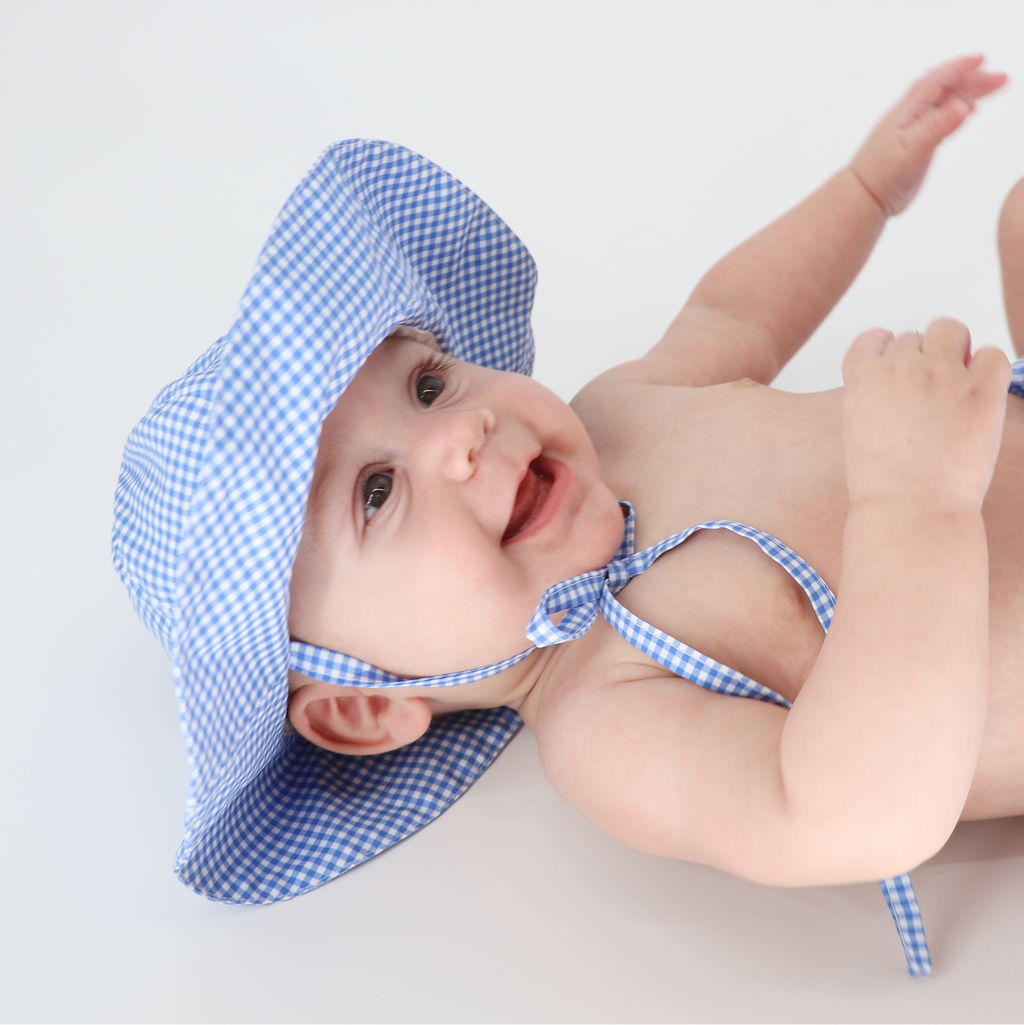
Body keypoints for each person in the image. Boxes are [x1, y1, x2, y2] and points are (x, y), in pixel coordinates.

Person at [113, 55, 1021, 974]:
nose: (461, 432)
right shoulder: (607, 717)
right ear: (361, 705)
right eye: (376, 492)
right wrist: (917, 504)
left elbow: (735, 310)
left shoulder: (622, 412)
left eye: (428, 384)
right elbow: (846, 814)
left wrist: (867, 186)